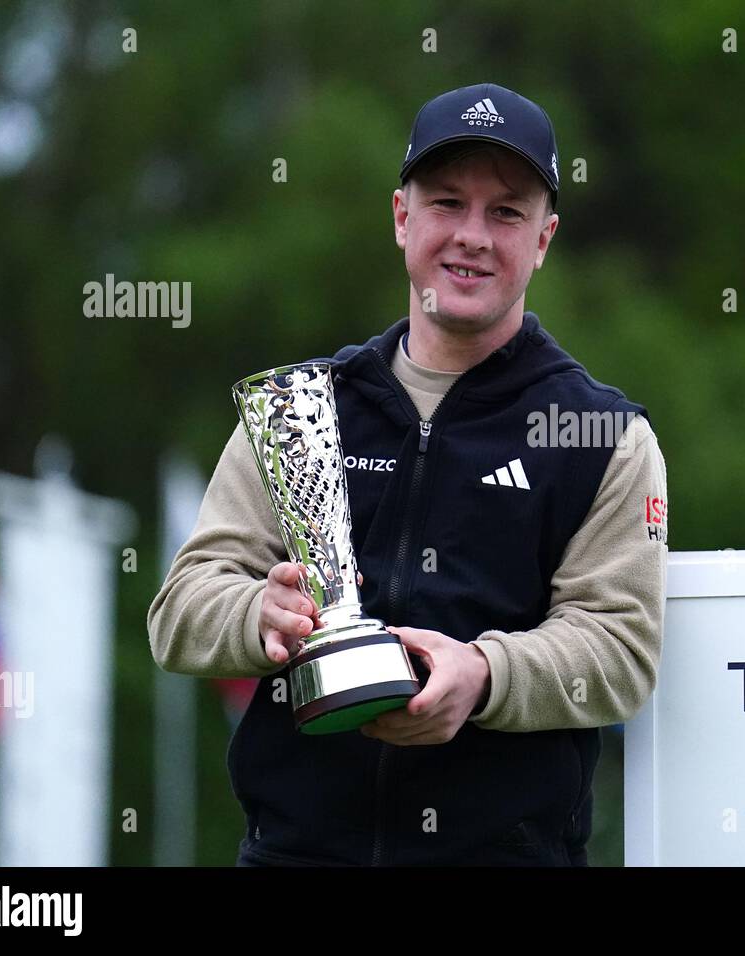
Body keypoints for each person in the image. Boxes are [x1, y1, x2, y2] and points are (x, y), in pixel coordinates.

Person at [148, 82, 668, 866]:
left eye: (506, 211)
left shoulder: (605, 435)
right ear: (401, 217)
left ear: (544, 239)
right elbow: (179, 609)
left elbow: (620, 651)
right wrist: (261, 614)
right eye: (446, 202)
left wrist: (485, 674)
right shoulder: (302, 410)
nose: (472, 236)